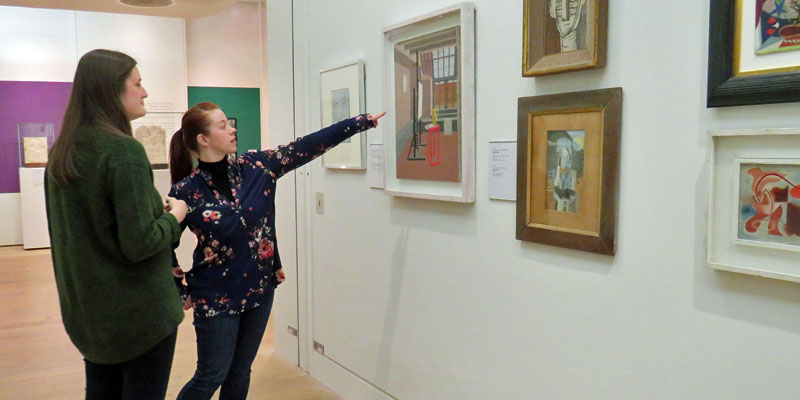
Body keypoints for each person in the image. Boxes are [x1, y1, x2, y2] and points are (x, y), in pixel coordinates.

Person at [169, 102, 384, 399]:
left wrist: (359, 123)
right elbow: (164, 242)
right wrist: (179, 289)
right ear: (203, 139)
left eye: (229, 123)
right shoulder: (185, 191)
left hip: (259, 289)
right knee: (211, 376)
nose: (232, 129)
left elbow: (306, 146)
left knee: (240, 371)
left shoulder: (257, 167)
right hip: (215, 296)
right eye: (222, 125)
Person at [44, 49, 189, 400]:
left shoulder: (64, 151)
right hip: (138, 316)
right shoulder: (123, 151)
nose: (145, 92)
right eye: (137, 84)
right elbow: (141, 242)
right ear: (111, 90)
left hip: (92, 315)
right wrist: (175, 216)